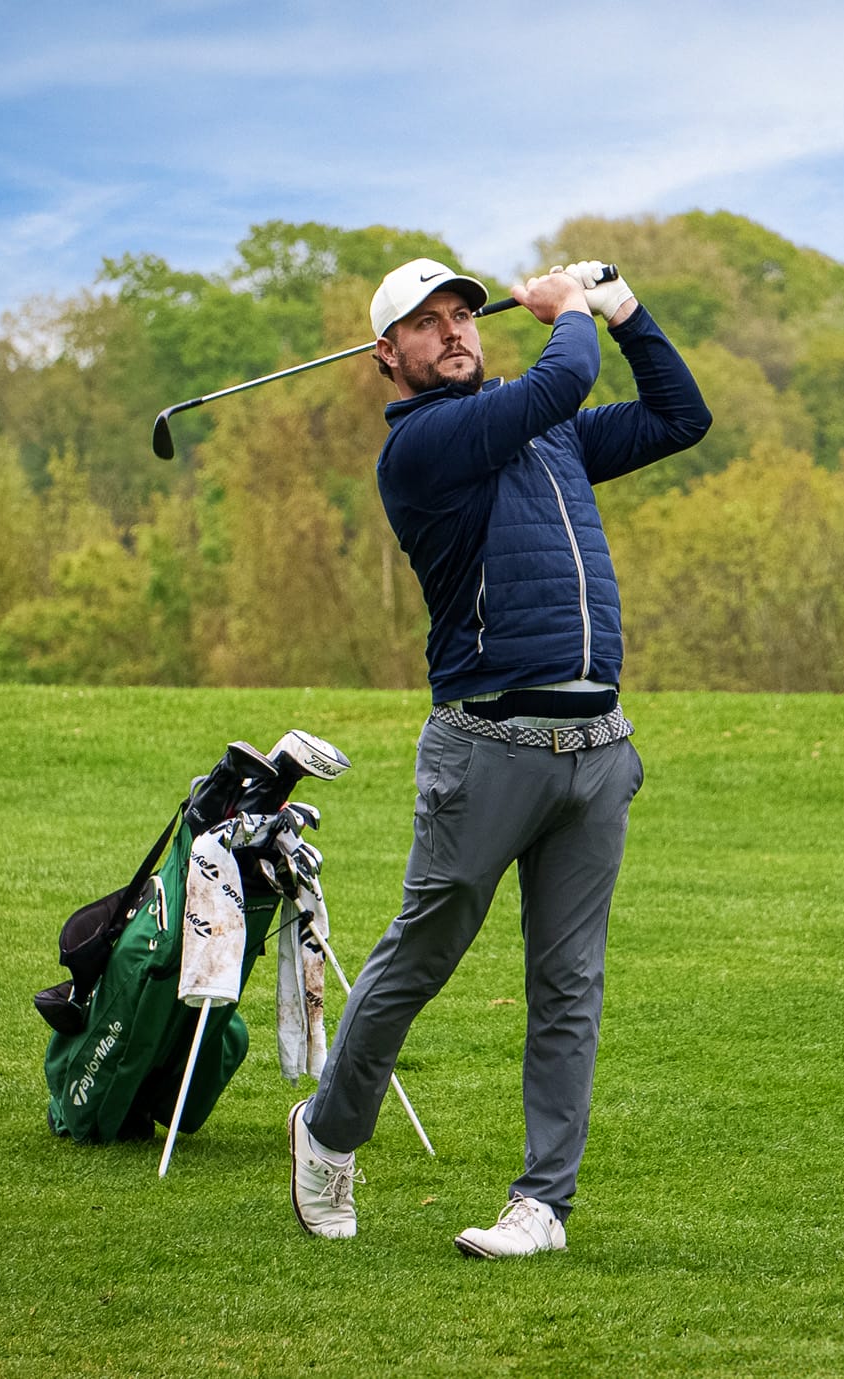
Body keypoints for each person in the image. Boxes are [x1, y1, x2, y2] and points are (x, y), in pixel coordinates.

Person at [288, 258, 710, 1255]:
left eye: (464, 315)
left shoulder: (546, 430)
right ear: (387, 354)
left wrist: (625, 309)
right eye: (426, 322)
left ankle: (542, 1204)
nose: (454, 331)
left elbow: (679, 417)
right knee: (420, 957)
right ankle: (329, 1130)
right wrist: (568, 313)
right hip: (486, 748)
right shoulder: (424, 444)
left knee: (570, 985)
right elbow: (561, 379)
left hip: (597, 748)